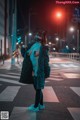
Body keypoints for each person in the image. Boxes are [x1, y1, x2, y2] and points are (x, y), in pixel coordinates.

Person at [27, 31, 50, 112]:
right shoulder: (38, 47)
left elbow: (32, 54)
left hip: (39, 71)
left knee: (38, 89)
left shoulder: (42, 48)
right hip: (36, 71)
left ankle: (36, 106)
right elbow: (29, 54)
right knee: (38, 89)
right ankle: (41, 104)